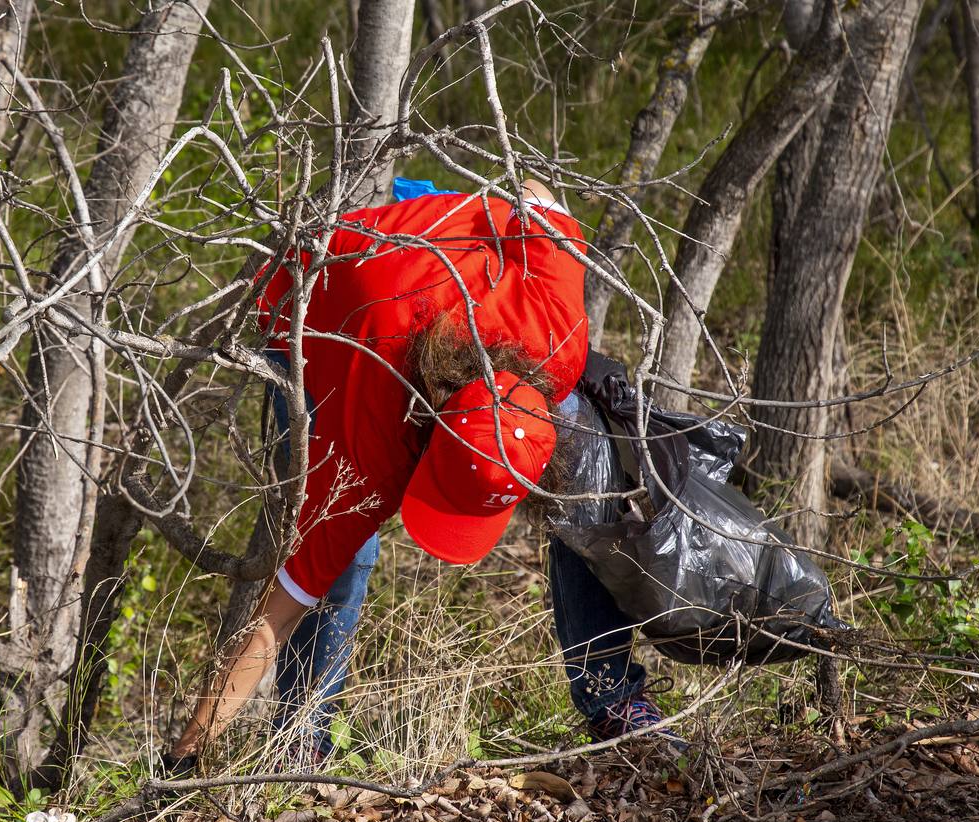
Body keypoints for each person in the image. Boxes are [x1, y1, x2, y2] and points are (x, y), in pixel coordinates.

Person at [164, 178, 672, 774]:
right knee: (339, 564)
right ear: (421, 449)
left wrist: (470, 219)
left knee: (593, 455)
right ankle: (302, 736)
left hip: (434, 241)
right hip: (314, 281)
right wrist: (185, 755)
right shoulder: (366, 451)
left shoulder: (556, 336)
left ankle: (615, 701)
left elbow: (532, 187)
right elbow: (274, 619)